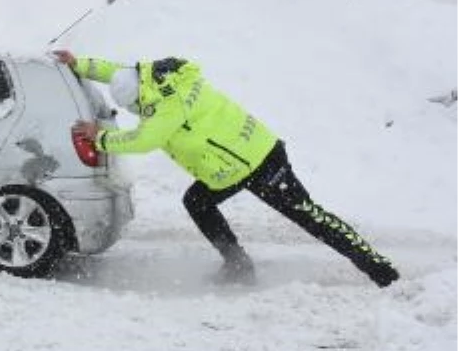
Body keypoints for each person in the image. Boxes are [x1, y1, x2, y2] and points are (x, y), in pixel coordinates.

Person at [54, 50, 399, 288]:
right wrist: (79, 63)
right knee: (197, 201)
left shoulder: (166, 109)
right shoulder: (153, 76)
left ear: (139, 99)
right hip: (230, 168)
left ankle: (379, 269)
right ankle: (238, 265)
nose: (138, 112)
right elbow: (115, 72)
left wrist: (99, 139)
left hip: (261, 161)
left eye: (136, 109)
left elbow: (142, 141)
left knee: (310, 217)